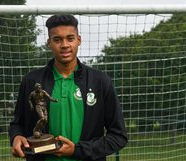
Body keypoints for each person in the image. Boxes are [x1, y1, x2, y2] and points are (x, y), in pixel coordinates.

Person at [9, 14, 128, 161]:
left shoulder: (100, 81)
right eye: (57, 39)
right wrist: (16, 137)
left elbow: (118, 136)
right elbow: (17, 123)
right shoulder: (32, 80)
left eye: (70, 38)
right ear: (49, 43)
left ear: (79, 40)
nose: (64, 45)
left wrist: (77, 151)